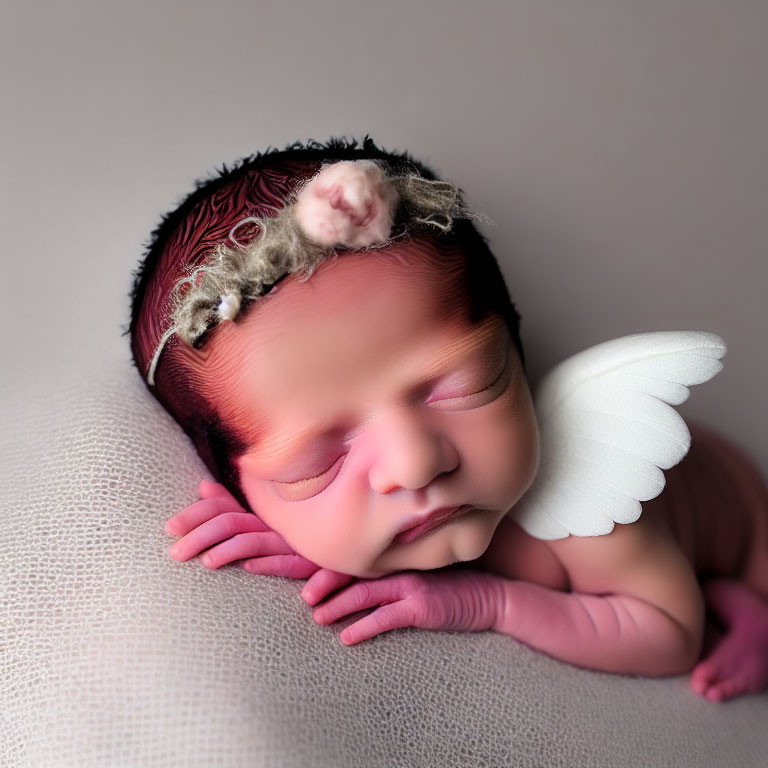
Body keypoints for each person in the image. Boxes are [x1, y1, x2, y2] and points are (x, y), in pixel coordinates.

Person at [128, 136, 768, 703]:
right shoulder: (397, 508)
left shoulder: (587, 510)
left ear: (518, 354)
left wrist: (487, 602)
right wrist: (299, 540)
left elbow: (668, 633)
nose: (416, 461)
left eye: (468, 388)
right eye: (312, 467)